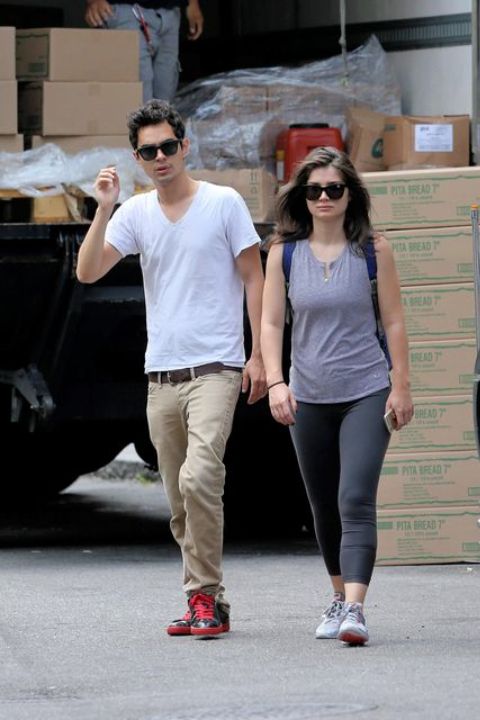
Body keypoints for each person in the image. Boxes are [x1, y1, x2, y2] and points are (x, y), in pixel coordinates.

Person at [76, 99, 266, 636]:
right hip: (161, 376)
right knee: (179, 499)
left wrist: (258, 357)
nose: (159, 157)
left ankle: (201, 597)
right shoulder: (135, 212)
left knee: (201, 476)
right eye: (147, 151)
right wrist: (104, 207)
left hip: (217, 368)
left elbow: (255, 278)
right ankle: (211, 600)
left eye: (167, 147)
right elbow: (87, 271)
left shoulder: (223, 203)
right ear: (138, 159)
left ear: (184, 146)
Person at [260, 146, 413, 646]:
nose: (323, 197)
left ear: (350, 195)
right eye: (314, 190)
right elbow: (270, 321)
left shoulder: (374, 250)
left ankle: (355, 607)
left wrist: (401, 384)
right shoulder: (284, 253)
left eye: (334, 189)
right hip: (307, 397)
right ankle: (336, 595)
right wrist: (277, 383)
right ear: (301, 196)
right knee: (323, 504)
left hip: (366, 391)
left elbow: (392, 320)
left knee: (354, 497)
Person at [84, 0, 204, 102]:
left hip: (170, 13)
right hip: (127, 12)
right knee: (139, 93)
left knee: (165, 93)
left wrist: (193, 3)